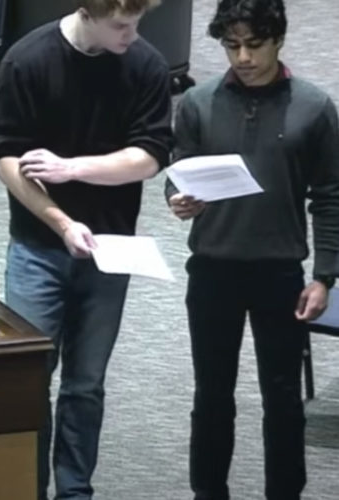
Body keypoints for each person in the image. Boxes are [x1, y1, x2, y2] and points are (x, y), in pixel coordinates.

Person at [0, 0, 172, 498]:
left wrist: (72, 168)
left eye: (137, 23)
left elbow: (150, 156)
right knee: (30, 380)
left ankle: (74, 491)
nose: (132, 34)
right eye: (121, 25)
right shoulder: (27, 60)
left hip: (111, 250)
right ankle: (28, 488)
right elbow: (4, 156)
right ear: (87, 13)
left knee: (86, 385)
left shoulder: (146, 65)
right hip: (38, 248)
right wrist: (61, 221)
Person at [166, 1, 339, 498]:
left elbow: (330, 196)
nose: (242, 57)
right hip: (212, 270)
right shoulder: (197, 103)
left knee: (282, 399)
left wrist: (324, 276)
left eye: (254, 45)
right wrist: (178, 199)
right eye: (231, 45)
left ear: (278, 40)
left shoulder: (314, 107)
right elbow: (179, 173)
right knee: (211, 395)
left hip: (280, 274)